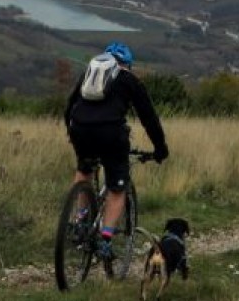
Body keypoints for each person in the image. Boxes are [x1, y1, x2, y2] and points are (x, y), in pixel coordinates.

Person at [64, 41, 169, 259]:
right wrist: (160, 148)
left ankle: (80, 220)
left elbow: (69, 106)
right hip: (111, 134)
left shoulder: (88, 74)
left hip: (79, 128)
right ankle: (105, 239)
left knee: (85, 169)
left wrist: (72, 134)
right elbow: (149, 118)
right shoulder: (129, 80)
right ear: (127, 64)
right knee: (117, 187)